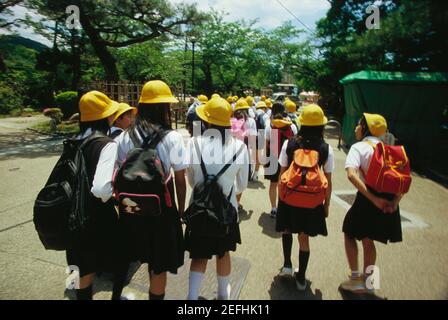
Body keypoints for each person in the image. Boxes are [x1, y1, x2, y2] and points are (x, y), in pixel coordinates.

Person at [113, 80, 187, 300]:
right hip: (161, 210)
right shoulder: (172, 138)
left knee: (127, 255)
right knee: (159, 263)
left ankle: (117, 293)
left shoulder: (124, 136)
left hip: (130, 208)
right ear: (164, 107)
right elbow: (180, 179)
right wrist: (180, 211)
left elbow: (117, 172)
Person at [185, 97, 249, 300]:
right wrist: (227, 190)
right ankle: (223, 294)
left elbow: (191, 180)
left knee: (199, 254)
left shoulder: (194, 143)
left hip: (199, 208)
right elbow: (243, 184)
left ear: (207, 122)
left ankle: (192, 297)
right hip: (226, 210)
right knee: (223, 253)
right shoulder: (240, 147)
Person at [340, 113, 403, 294]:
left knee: (349, 232)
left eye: (359, 125)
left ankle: (355, 280)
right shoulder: (390, 150)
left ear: (366, 128)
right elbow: (403, 181)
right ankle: (369, 284)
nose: (356, 128)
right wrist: (395, 202)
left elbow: (352, 174)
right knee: (369, 240)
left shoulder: (359, 147)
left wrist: (374, 199)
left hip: (368, 199)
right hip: (388, 201)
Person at [67, 90, 120, 300]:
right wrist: (113, 195)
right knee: (111, 260)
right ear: (105, 117)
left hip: (72, 211)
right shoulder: (106, 144)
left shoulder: (72, 140)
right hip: (96, 214)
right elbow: (101, 189)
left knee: (78, 264)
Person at [276, 104, 334, 291]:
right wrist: (326, 205)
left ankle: (286, 265)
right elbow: (328, 181)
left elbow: (282, 173)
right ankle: (301, 278)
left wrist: (281, 198)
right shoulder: (326, 149)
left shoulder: (290, 144)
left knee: (286, 230)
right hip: (313, 201)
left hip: (289, 197)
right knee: (304, 238)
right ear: (321, 126)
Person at [264, 103, 298, 218]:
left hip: (273, 158)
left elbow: (266, 143)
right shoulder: (291, 126)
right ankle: (286, 208)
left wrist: (265, 159)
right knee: (287, 184)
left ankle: (274, 208)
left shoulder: (270, 126)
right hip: (288, 159)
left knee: (273, 184)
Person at [230, 98, 257, 202]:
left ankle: (230, 201)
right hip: (245, 154)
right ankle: (237, 203)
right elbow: (253, 139)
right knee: (241, 180)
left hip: (230, 153)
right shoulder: (251, 121)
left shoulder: (232, 120)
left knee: (230, 178)